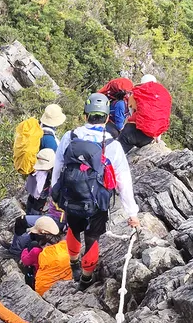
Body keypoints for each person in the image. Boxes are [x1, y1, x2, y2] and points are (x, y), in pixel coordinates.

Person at [52, 92, 140, 291]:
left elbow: (58, 166)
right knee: (92, 238)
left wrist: (56, 194)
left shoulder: (70, 136)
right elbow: (123, 181)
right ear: (108, 117)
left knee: (73, 230)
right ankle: (85, 278)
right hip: (97, 202)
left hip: (71, 196)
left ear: (85, 115)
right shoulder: (113, 146)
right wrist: (132, 213)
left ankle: (74, 264)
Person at [118, 74, 172, 155]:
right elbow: (161, 118)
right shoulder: (163, 98)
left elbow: (130, 113)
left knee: (117, 154)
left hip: (132, 132)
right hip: (150, 138)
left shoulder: (136, 94)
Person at [19, 216, 72, 296]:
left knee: (29, 266)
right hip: (65, 281)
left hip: (43, 288)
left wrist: (25, 250)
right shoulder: (64, 244)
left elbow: (25, 260)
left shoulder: (37, 252)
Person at [25, 147, 56, 214]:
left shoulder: (55, 171)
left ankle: (30, 217)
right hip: (39, 192)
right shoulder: (50, 170)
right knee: (34, 203)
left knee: (35, 205)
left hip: (39, 193)